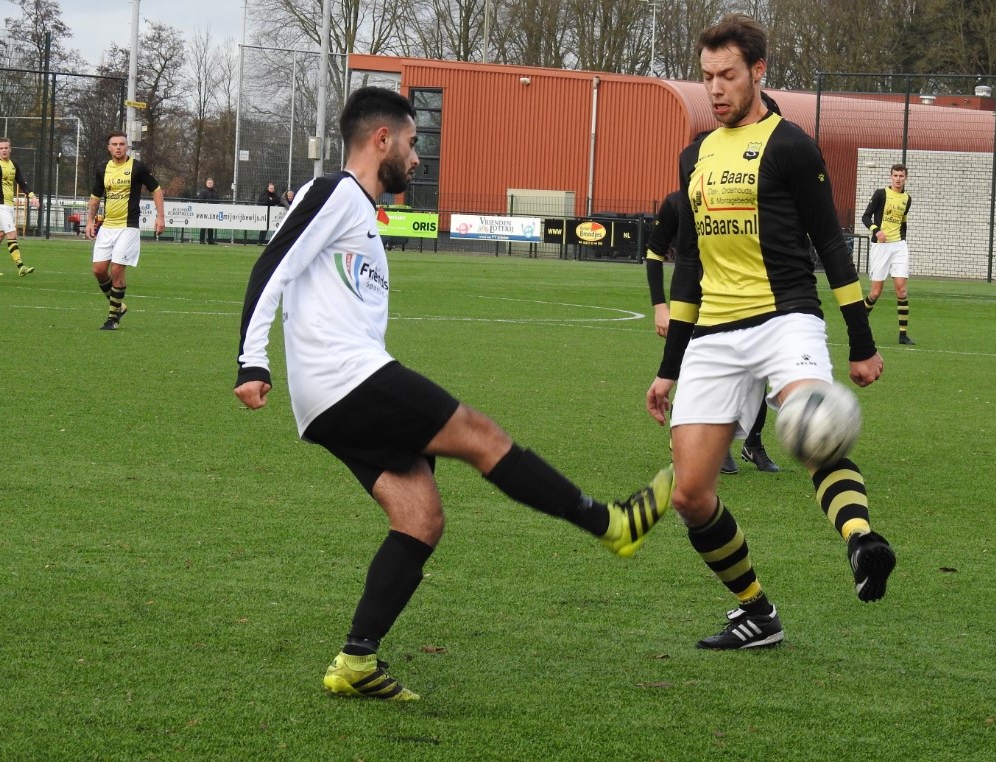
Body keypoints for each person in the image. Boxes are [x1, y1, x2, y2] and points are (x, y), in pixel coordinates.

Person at [234, 86, 674, 701]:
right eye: (413, 144)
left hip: (337, 391)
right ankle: (611, 524)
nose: (417, 159)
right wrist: (250, 361)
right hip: (345, 379)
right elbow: (270, 265)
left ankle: (356, 661)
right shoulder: (334, 191)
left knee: (421, 519)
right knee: (480, 435)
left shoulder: (361, 210)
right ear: (381, 139)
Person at [645, 13, 896, 650]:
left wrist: (862, 342)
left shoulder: (791, 146)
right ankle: (756, 611)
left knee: (812, 431)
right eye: (706, 78)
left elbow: (831, 246)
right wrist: (669, 366)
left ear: (758, 71)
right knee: (692, 493)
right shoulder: (694, 156)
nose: (715, 89)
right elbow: (691, 268)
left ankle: (863, 541)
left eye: (727, 75)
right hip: (714, 337)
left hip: (787, 317)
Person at [645, 189, 779, 474]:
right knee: (696, 368)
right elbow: (654, 253)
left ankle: (752, 443)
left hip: (733, 294)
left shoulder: (738, 198)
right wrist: (660, 306)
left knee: (754, 367)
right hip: (689, 295)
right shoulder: (674, 203)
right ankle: (692, 446)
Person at [86, 131, 165, 330]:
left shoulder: (137, 168)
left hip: (128, 227)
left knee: (118, 268)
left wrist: (160, 216)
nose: (119, 147)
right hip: (107, 226)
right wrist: (89, 221)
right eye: (115, 144)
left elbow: (156, 189)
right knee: (98, 270)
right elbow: (95, 197)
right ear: (109, 148)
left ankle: (112, 318)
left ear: (127, 147)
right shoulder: (102, 169)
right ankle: (118, 305)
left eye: (122, 144)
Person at [861, 164, 915, 345]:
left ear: (906, 178)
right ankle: (858, 325)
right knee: (876, 292)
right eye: (895, 175)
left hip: (899, 246)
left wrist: (902, 240)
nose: (898, 179)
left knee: (901, 289)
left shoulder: (907, 199)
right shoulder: (880, 194)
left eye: (901, 176)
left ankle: (903, 335)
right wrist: (876, 230)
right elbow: (866, 217)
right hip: (881, 247)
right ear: (890, 177)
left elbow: (903, 222)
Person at [0, 137, 39, 277]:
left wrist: (32, 196)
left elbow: (22, 183)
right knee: (12, 234)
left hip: (9, 205)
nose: (4, 150)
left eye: (6, 147)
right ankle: (20, 266)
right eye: (1, 148)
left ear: (10, 149)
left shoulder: (14, 165)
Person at [197, 177, 220, 245]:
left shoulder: (215, 192)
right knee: (203, 226)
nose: (210, 184)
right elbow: (200, 201)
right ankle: (201, 240)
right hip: (204, 211)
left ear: (213, 184)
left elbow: (218, 201)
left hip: (213, 212)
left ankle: (210, 240)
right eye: (209, 183)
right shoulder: (203, 191)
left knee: (211, 226)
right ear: (206, 183)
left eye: (211, 183)